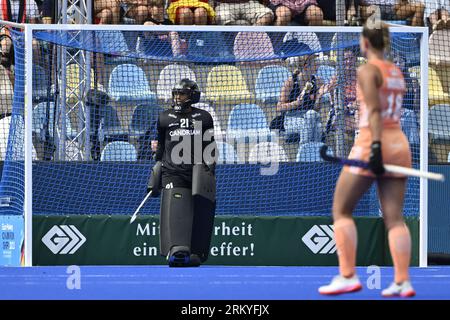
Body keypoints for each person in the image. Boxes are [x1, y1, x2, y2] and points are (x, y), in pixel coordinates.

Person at [318, 21, 415, 297]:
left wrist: (373, 148)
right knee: (395, 218)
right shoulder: (396, 71)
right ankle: (402, 281)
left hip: (373, 141)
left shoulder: (367, 70)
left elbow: (373, 111)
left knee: (341, 209)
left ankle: (347, 275)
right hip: (399, 144)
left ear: (365, 44)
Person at [148, 78, 217, 267]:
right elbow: (161, 148)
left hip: (196, 172)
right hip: (172, 172)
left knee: (199, 212)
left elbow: (210, 148)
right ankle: (176, 249)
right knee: (175, 208)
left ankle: (196, 252)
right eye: (176, 93)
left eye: (182, 93)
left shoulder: (204, 117)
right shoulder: (164, 117)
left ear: (192, 96)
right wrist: (157, 169)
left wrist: (209, 172)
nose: (178, 97)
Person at [270, 42, 330, 144]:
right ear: (306, 66)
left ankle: (309, 153)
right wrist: (296, 103)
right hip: (292, 119)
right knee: (316, 127)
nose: (318, 64)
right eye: (315, 62)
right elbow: (279, 107)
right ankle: (306, 152)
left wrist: (319, 96)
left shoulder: (318, 81)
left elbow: (316, 109)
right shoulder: (291, 82)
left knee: (315, 120)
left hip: (310, 117)